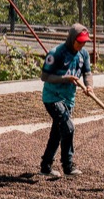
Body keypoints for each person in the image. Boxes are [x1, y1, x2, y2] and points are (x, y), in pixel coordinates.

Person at [39, 23, 93, 178]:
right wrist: (65, 78)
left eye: (84, 42)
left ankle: (45, 167)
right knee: (68, 127)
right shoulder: (56, 53)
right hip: (52, 98)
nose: (82, 44)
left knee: (57, 132)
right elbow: (45, 77)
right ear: (71, 39)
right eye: (79, 41)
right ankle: (68, 166)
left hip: (69, 100)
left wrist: (89, 87)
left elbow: (87, 73)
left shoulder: (83, 55)